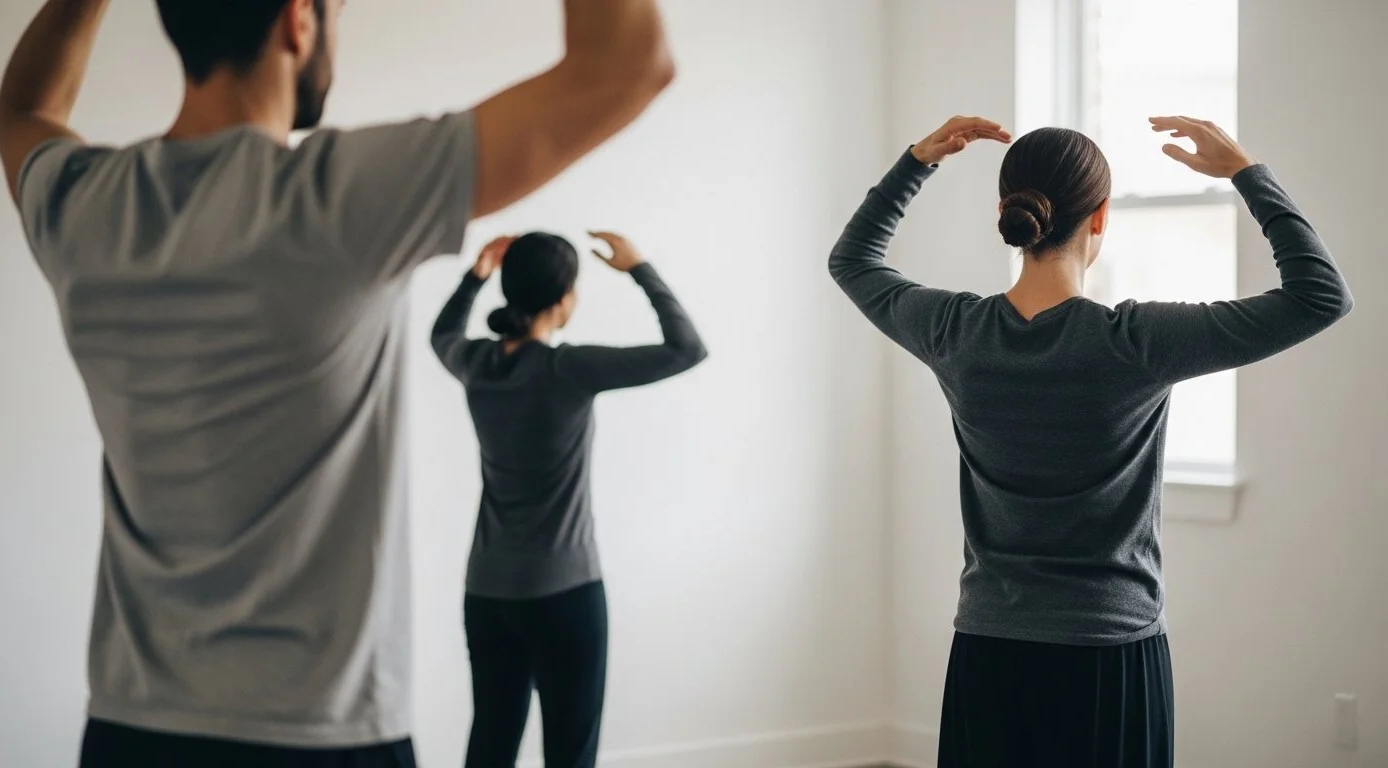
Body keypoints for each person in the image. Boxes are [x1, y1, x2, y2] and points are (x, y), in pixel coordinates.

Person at [0, 0, 676, 765]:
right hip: (322, 736)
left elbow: (22, 109)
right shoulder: (336, 196)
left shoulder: (86, 204)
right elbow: (627, 69)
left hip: (129, 733)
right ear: (298, 22)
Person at [829, 115, 1352, 767]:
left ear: (1006, 212)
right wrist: (1246, 173)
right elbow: (1320, 296)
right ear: (1100, 218)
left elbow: (851, 261)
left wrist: (915, 163)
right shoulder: (1138, 342)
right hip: (1111, 655)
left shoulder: (953, 330)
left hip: (990, 648)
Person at [429, 231, 706, 767]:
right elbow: (686, 349)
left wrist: (474, 276)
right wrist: (639, 268)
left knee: (490, 743)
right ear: (564, 301)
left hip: (487, 593)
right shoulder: (567, 369)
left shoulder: (476, 365)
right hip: (564, 593)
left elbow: (441, 333)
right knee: (570, 752)